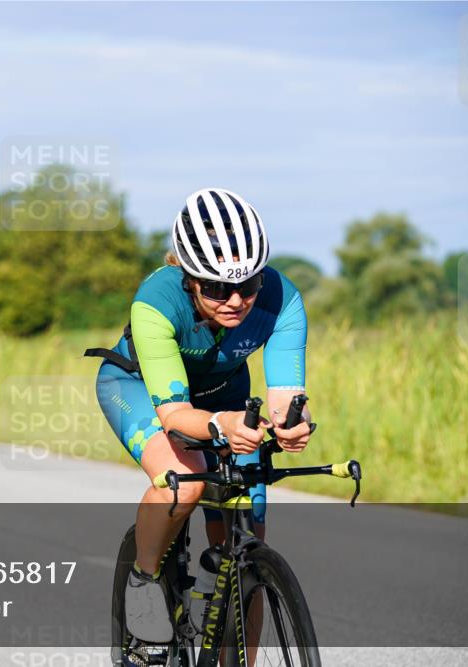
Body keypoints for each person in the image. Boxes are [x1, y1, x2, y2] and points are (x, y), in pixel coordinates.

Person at [87, 188, 313, 666]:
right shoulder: (155, 301)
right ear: (188, 279)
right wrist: (221, 426)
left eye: (247, 286)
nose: (235, 301)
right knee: (183, 481)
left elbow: (286, 397)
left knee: (245, 533)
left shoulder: (283, 298)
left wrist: (293, 424)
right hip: (138, 389)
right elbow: (174, 416)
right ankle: (144, 581)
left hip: (226, 396)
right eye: (215, 289)